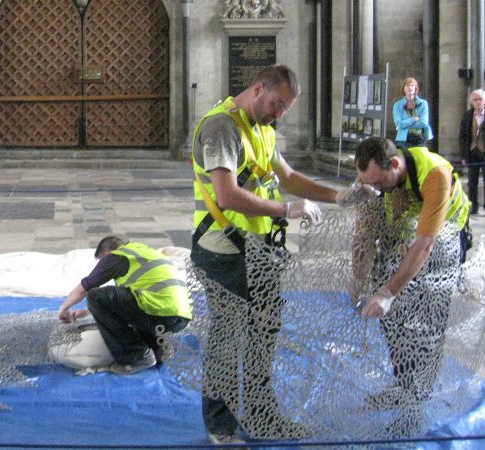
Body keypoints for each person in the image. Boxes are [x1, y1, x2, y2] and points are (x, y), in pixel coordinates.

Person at [190, 65, 364, 443]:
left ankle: (259, 412)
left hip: (261, 252)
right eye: (277, 104)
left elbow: (286, 176)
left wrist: (337, 196)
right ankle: (220, 426)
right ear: (258, 88)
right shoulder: (222, 128)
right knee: (227, 340)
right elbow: (227, 195)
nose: (279, 114)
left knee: (264, 335)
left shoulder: (263, 128)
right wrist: (289, 210)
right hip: (225, 252)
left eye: (286, 109)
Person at [353, 137, 470, 435]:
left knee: (427, 326)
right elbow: (367, 230)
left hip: (442, 240)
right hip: (407, 235)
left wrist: (388, 292)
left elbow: (425, 244)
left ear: (395, 164)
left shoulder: (435, 175)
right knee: (393, 322)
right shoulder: (378, 178)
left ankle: (415, 404)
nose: (376, 190)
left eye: (379, 183)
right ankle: (402, 386)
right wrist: (361, 280)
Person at [57, 236, 192, 374]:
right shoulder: (143, 251)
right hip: (180, 316)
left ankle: (135, 357)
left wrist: (63, 309)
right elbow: (128, 302)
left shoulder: (117, 256)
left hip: (159, 313)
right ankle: (159, 348)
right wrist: (86, 311)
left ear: (107, 252)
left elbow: (85, 288)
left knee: (95, 296)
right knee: (131, 307)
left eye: (102, 261)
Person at [459, 88, 485, 215]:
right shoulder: (467, 115)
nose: (478, 102)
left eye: (480, 99)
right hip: (472, 152)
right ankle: (473, 206)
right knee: (472, 182)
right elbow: (463, 137)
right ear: (471, 102)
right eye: (475, 100)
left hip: (484, 151)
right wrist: (463, 155)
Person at [392, 77, 433, 148]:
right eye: (407, 86)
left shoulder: (423, 103)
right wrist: (413, 119)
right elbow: (399, 124)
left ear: (415, 88)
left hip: (419, 138)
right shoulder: (397, 105)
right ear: (403, 89)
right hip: (403, 139)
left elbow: (423, 122)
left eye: (412, 85)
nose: (410, 88)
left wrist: (405, 124)